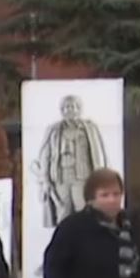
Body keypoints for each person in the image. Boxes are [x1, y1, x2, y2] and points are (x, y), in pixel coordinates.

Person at [34, 94, 109, 228]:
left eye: (73, 107)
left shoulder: (88, 129)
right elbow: (45, 156)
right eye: (67, 107)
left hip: (82, 177)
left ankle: (86, 242)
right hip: (61, 177)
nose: (70, 110)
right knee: (63, 212)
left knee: (83, 210)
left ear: (79, 109)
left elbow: (98, 155)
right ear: (62, 110)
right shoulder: (54, 130)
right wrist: (45, 179)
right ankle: (65, 243)